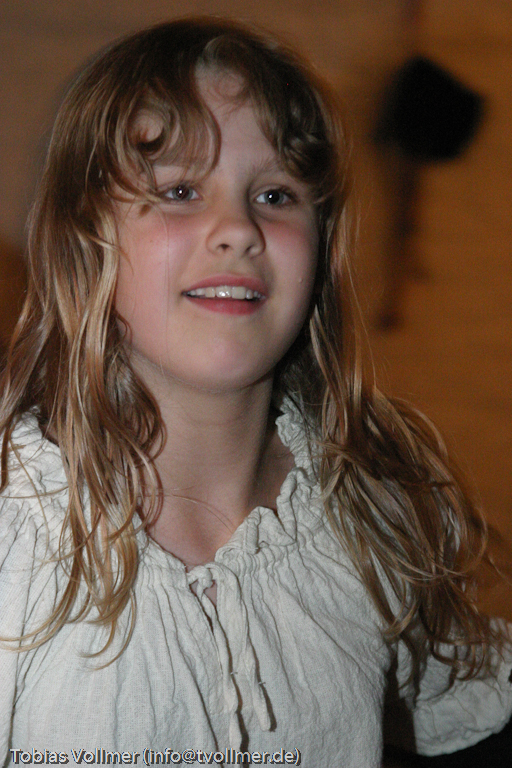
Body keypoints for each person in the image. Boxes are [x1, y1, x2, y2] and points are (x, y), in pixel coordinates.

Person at [0, 18, 510, 768]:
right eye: (179, 190)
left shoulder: (367, 512)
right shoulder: (17, 534)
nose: (237, 228)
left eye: (274, 194)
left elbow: (468, 692)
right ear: (85, 241)